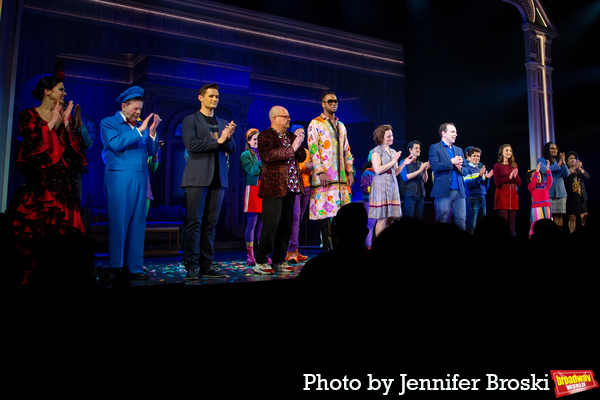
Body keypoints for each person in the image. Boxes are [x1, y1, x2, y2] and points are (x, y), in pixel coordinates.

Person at [7, 63, 88, 284]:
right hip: (39, 187)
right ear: (47, 91)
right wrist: (53, 122)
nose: (65, 93)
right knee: (35, 235)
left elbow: (74, 155)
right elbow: (32, 145)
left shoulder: (64, 118)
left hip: (62, 187)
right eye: (61, 89)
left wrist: (68, 124)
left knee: (66, 240)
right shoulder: (28, 115)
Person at [101, 86, 161, 280]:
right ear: (124, 106)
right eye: (134, 109)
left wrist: (151, 133)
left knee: (137, 223)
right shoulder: (108, 123)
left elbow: (151, 152)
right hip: (119, 176)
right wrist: (140, 130)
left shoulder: (143, 125)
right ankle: (115, 267)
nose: (138, 112)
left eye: (140, 109)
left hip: (141, 176)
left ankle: (135, 267)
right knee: (119, 222)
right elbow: (116, 144)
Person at [180, 83, 236, 279]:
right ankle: (191, 264)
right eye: (211, 96)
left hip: (218, 178)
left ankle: (206, 264)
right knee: (195, 222)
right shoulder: (190, 120)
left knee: (211, 224)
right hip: (197, 177)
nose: (214, 99)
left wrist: (227, 138)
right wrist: (218, 141)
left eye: (217, 97)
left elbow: (232, 149)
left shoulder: (221, 122)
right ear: (200, 98)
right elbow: (192, 145)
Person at [254, 106, 306, 274]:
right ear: (274, 118)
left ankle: (278, 260)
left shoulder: (291, 136)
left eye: (289, 117)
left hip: (291, 187)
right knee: (270, 224)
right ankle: (261, 261)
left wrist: (298, 144)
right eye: (286, 117)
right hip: (274, 188)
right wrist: (292, 148)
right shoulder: (265, 136)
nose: (289, 119)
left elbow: (301, 157)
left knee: (286, 225)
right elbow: (269, 156)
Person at [307, 92, 354, 253]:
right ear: (323, 103)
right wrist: (320, 171)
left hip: (340, 178)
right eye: (330, 101)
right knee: (324, 212)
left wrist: (350, 171)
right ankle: (327, 248)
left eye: (336, 101)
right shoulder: (316, 123)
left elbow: (347, 150)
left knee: (341, 214)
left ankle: (340, 248)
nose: (334, 103)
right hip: (325, 176)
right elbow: (313, 149)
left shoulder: (341, 126)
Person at [368, 125, 409, 237]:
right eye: (389, 136)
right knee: (382, 218)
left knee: (391, 217)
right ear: (381, 138)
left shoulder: (392, 151)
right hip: (381, 184)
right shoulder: (376, 151)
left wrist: (403, 163)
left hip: (392, 183)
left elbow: (395, 172)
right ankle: (379, 247)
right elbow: (377, 170)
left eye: (391, 135)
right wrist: (393, 160)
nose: (392, 138)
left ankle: (387, 244)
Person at [428, 123, 468, 230]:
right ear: (443, 133)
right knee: (442, 222)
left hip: (459, 191)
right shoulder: (435, 147)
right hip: (443, 191)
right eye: (453, 132)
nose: (456, 134)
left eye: (455, 132)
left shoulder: (459, 150)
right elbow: (434, 166)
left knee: (461, 221)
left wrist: (460, 168)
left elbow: (465, 170)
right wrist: (451, 162)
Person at [286, 125, 312, 264]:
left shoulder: (306, 151)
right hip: (295, 187)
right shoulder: (291, 149)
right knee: (295, 218)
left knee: (300, 217)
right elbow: (291, 166)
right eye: (298, 133)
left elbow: (310, 170)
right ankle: (291, 250)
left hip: (306, 187)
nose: (301, 135)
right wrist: (304, 167)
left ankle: (294, 249)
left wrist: (310, 168)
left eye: (303, 133)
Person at [240, 128, 263, 266]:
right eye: (254, 139)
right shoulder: (245, 155)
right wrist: (263, 161)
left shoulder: (264, 153)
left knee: (262, 225)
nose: (257, 142)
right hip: (252, 189)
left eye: (258, 139)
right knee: (252, 224)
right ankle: (250, 255)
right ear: (248, 141)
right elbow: (252, 171)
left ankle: (262, 254)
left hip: (264, 189)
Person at [538, 142, 569, 231]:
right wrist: (558, 165)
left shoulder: (558, 160)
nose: (555, 150)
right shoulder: (542, 160)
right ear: (547, 150)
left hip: (560, 193)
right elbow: (544, 170)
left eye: (556, 148)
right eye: (552, 148)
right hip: (548, 193)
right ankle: (550, 235)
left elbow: (566, 174)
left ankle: (559, 235)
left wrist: (563, 164)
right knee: (548, 216)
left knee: (559, 216)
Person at [462, 146, 493, 234]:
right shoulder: (467, 169)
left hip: (482, 198)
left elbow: (485, 188)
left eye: (478, 156)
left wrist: (487, 179)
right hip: (472, 198)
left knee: (483, 224)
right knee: (471, 224)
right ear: (469, 157)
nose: (476, 158)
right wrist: (480, 176)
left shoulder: (480, 169)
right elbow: (469, 186)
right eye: (474, 156)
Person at [493, 144, 521, 236]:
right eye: (507, 150)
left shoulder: (514, 165)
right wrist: (509, 178)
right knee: (504, 221)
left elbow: (518, 183)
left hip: (513, 193)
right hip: (502, 194)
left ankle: (511, 240)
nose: (509, 152)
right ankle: (503, 240)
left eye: (510, 151)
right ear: (502, 152)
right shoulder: (497, 166)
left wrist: (515, 176)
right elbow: (496, 182)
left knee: (512, 221)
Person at [400, 140, 429, 219]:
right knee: (409, 220)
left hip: (420, 195)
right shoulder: (404, 162)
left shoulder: (420, 163)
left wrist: (425, 169)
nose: (418, 150)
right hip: (409, 195)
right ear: (410, 150)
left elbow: (425, 180)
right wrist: (420, 170)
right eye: (416, 148)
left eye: (419, 148)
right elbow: (405, 177)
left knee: (419, 219)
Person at [565, 151, 590, 233]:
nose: (573, 160)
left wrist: (580, 169)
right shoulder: (566, 169)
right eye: (571, 158)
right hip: (571, 198)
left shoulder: (579, 169)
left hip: (581, 197)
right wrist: (574, 168)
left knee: (584, 217)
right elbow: (566, 177)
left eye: (574, 158)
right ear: (567, 160)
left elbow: (587, 177)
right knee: (572, 218)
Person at [527, 159, 553, 237]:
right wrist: (537, 171)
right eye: (536, 176)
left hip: (546, 207)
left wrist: (548, 169)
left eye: (539, 175)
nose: (538, 177)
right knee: (535, 224)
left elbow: (550, 181)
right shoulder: (531, 187)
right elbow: (533, 182)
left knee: (547, 224)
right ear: (531, 179)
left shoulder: (545, 185)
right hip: (536, 208)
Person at [359, 151, 376, 248]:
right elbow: (365, 188)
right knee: (370, 224)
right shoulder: (367, 173)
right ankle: (368, 246)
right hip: (370, 200)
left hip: (380, 200)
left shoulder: (381, 172)